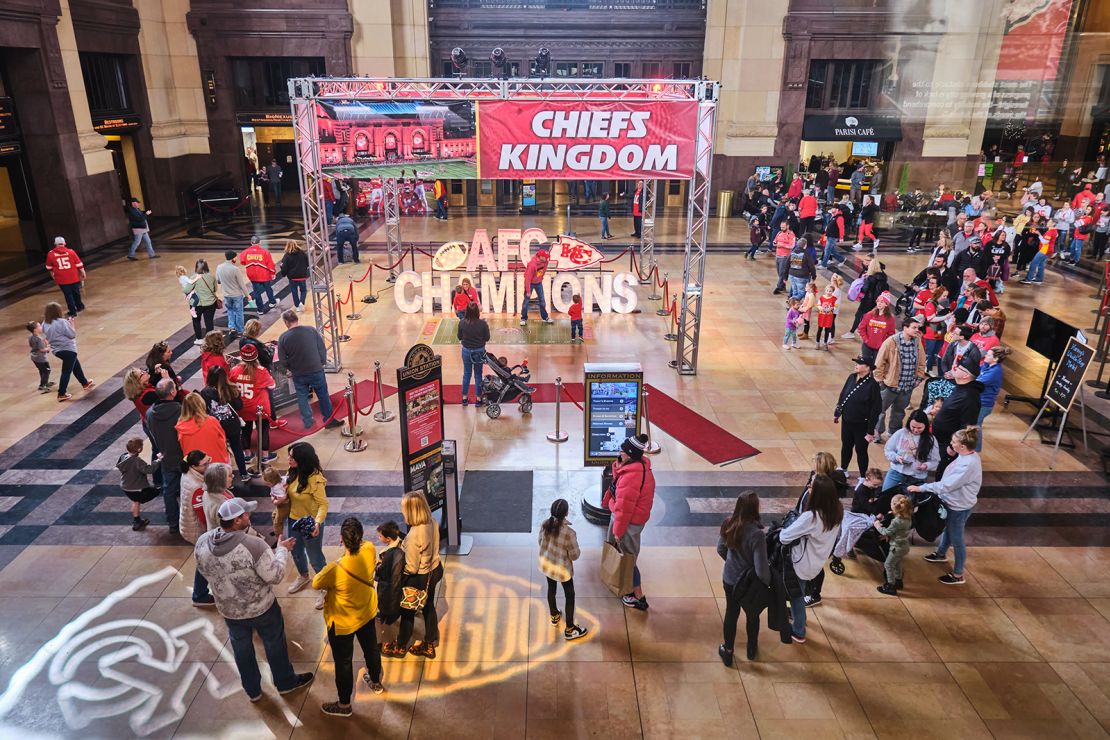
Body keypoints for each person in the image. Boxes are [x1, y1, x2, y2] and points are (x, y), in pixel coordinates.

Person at [194, 496, 315, 700]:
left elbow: (203, 570)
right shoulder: (254, 545)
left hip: (229, 610)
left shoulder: (203, 542)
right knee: (274, 644)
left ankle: (252, 691)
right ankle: (285, 683)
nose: (248, 516)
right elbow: (275, 576)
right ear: (237, 521)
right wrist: (282, 551)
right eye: (244, 515)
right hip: (262, 608)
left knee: (242, 650)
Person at [314, 517, 385, 716]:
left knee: (344, 662)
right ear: (360, 536)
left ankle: (344, 705)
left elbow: (316, 582)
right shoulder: (370, 548)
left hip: (342, 623)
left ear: (341, 540)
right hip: (367, 612)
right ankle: (376, 681)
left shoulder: (335, 568)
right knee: (371, 649)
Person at [908, 426, 982, 585]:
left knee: (957, 539)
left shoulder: (967, 465)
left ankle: (958, 574)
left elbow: (947, 485)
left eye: (954, 442)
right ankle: (940, 554)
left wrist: (922, 487)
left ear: (962, 446)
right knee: (949, 529)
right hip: (953, 501)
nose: (951, 443)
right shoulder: (967, 455)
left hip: (959, 506)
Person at [779, 475, 843, 643]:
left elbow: (784, 537)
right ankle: (795, 614)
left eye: (811, 485)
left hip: (801, 562)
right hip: (818, 560)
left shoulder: (812, 517)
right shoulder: (837, 510)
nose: (808, 486)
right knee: (800, 591)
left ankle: (799, 630)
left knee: (796, 595)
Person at [381, 492, 444, 659]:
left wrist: (398, 571)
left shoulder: (413, 536)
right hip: (435, 570)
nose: (403, 512)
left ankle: (400, 646)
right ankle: (429, 643)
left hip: (419, 577)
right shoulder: (432, 521)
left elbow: (412, 567)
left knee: (407, 611)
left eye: (404, 509)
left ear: (411, 511)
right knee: (428, 606)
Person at [604, 433, 655, 611]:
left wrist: (618, 532)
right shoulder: (639, 467)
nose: (620, 452)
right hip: (633, 520)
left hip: (628, 523)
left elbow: (624, 510)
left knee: (628, 559)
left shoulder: (631, 477)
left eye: (623, 451)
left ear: (631, 454)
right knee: (627, 556)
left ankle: (637, 596)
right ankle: (633, 591)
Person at [717, 491, 770, 664]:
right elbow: (761, 568)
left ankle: (728, 651)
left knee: (731, 613)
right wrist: (768, 584)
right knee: (752, 615)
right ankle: (751, 649)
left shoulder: (728, 523)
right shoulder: (757, 534)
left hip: (730, 579)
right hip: (749, 584)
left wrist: (732, 563)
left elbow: (720, 549)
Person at [284, 442, 330, 610]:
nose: (288, 459)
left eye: (292, 457)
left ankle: (325, 586)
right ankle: (303, 575)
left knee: (315, 557)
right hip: (293, 519)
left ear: (302, 460)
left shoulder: (315, 478)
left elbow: (323, 504)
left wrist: (317, 523)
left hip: (310, 523)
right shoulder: (292, 471)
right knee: (296, 552)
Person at [278, 310, 341, 430]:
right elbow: (321, 348)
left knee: (302, 397)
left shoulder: (283, 338)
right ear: (297, 318)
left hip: (298, 373)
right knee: (323, 395)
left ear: (286, 322)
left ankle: (307, 421)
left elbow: (283, 360)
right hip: (316, 369)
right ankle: (328, 419)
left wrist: (291, 368)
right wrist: (321, 362)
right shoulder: (311, 330)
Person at [538, 499, 587, 641]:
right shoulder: (569, 533)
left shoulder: (544, 524)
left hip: (547, 565)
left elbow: (540, 542)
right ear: (566, 513)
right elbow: (575, 555)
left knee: (551, 590)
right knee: (569, 596)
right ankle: (570, 629)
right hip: (563, 570)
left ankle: (554, 615)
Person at [872, 315, 926, 440]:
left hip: (907, 386)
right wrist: (880, 381)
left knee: (899, 412)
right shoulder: (891, 342)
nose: (916, 330)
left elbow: (922, 361)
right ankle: (876, 432)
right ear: (905, 328)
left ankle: (893, 433)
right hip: (890, 385)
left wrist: (918, 378)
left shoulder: (917, 342)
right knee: (880, 410)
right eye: (914, 327)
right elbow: (879, 363)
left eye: (917, 327)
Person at [229, 343, 279, 466]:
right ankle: (265, 456)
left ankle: (247, 454)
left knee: (245, 431)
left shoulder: (234, 370)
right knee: (263, 430)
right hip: (260, 407)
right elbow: (272, 386)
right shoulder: (261, 371)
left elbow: (230, 385)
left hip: (242, 407)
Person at [834, 355, 882, 476]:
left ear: (867, 368)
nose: (856, 365)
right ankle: (844, 468)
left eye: (859, 363)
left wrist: (870, 430)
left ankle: (862, 476)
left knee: (861, 450)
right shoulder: (851, 377)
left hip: (862, 424)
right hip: (847, 420)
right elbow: (843, 394)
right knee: (846, 446)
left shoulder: (873, 385)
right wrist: (838, 412)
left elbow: (876, 409)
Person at [147, 378, 183, 535]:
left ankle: (173, 523)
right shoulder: (181, 410)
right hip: (184, 457)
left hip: (166, 457)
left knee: (169, 491)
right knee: (189, 489)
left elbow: (152, 435)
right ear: (172, 392)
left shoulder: (150, 413)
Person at [932, 362, 984, 474]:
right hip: (941, 440)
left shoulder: (970, 396)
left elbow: (967, 425)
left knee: (944, 471)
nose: (955, 367)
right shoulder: (961, 388)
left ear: (966, 376)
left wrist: (953, 446)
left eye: (960, 368)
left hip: (949, 444)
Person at [199, 365, 248, 482]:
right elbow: (239, 406)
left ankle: (226, 478)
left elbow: (205, 409)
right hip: (232, 424)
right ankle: (244, 474)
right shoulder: (232, 389)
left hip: (216, 425)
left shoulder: (204, 392)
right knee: (237, 448)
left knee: (222, 452)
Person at [178, 450, 215, 605]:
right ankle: (199, 595)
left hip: (189, 525)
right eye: (205, 463)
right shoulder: (197, 487)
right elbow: (202, 515)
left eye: (208, 460)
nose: (209, 464)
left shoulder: (188, 474)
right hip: (198, 530)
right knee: (205, 562)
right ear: (194, 466)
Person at [41, 303, 93, 402]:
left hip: (57, 350)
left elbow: (46, 335)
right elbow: (72, 335)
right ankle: (61, 393)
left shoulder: (45, 323)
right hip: (68, 349)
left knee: (75, 365)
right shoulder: (62, 322)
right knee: (66, 372)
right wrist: (71, 324)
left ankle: (85, 383)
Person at [882, 410, 939, 490]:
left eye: (919, 428)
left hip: (917, 477)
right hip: (896, 472)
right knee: (885, 496)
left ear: (925, 426)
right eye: (913, 427)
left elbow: (935, 460)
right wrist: (896, 457)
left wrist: (926, 466)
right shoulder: (901, 433)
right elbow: (888, 450)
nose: (915, 430)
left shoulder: (931, 439)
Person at [116, 436, 160, 531]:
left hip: (126, 486)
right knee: (156, 491)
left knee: (136, 501)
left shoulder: (123, 457)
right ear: (139, 449)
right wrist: (157, 461)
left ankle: (137, 520)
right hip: (137, 488)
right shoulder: (137, 461)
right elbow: (149, 470)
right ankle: (137, 521)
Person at [176, 391, 230, 466]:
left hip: (195, 466)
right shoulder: (211, 421)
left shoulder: (180, 426)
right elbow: (222, 440)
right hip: (215, 464)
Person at [874, 494, 913, 595]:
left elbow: (886, 532)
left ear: (895, 506)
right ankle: (898, 581)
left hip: (896, 547)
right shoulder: (908, 518)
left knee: (888, 564)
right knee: (897, 563)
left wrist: (878, 526)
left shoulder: (896, 521)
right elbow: (899, 531)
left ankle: (890, 586)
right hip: (904, 545)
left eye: (891, 503)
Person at [976, 345, 1011, 451]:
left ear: (995, 358)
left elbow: (976, 382)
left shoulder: (995, 372)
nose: (985, 355)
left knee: (975, 427)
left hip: (984, 404)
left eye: (988, 354)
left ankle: (975, 451)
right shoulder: (987, 365)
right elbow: (975, 373)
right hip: (978, 400)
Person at [375, 521, 405, 629]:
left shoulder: (388, 554)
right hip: (397, 583)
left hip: (389, 587)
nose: (379, 538)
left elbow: (382, 571)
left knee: (388, 604)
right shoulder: (401, 542)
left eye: (380, 536)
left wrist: (377, 565)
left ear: (388, 539)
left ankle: (388, 619)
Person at [45, 237, 86, 317]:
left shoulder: (51, 254)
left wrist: (53, 275)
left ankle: (72, 311)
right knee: (76, 292)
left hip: (61, 279)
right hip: (73, 277)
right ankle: (80, 306)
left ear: (55, 244)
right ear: (64, 243)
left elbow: (49, 267)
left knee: (68, 295)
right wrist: (83, 272)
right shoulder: (71, 252)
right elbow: (79, 264)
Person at [216, 250, 251, 337]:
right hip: (236, 295)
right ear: (233, 258)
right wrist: (248, 295)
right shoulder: (235, 269)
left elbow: (218, 281)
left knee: (230, 311)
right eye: (236, 257)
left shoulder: (219, 267)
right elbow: (241, 284)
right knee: (239, 312)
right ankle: (240, 330)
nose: (236, 258)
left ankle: (231, 327)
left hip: (226, 295)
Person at [187, 259, 220, 346]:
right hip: (210, 303)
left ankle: (198, 339)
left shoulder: (193, 277)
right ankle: (210, 340)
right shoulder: (211, 276)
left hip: (196, 304)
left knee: (196, 321)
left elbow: (187, 289)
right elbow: (215, 289)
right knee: (209, 322)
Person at [241, 237, 278, 314]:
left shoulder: (245, 252)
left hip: (253, 276)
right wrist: (273, 273)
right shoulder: (265, 252)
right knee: (268, 289)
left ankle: (260, 309)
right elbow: (270, 264)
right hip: (265, 275)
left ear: (251, 242)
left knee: (256, 292)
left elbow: (243, 262)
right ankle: (272, 302)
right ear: (259, 242)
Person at [857, 295, 897, 365]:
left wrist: (883, 343)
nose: (879, 303)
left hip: (880, 347)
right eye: (878, 301)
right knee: (865, 365)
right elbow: (861, 328)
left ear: (886, 304)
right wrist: (866, 339)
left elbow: (891, 334)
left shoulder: (890, 319)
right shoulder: (869, 315)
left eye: (882, 302)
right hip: (867, 346)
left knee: (876, 366)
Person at [519, 249, 554, 325]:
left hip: (538, 283)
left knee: (542, 301)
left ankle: (545, 317)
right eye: (545, 257)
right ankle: (523, 318)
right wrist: (528, 290)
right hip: (530, 283)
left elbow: (543, 270)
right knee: (526, 302)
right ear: (541, 256)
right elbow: (528, 278)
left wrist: (540, 278)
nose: (547, 258)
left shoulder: (545, 261)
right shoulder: (532, 264)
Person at [277, 240, 309, 312]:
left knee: (294, 292)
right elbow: (307, 262)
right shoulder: (302, 253)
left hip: (292, 277)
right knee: (303, 290)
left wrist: (283, 274)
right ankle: (301, 302)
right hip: (302, 276)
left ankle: (297, 306)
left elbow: (283, 266)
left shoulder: (287, 255)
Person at [26, 321, 53, 392]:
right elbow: (42, 349)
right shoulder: (38, 339)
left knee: (42, 370)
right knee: (47, 371)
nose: (41, 327)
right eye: (39, 326)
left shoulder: (31, 337)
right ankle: (42, 385)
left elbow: (37, 344)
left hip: (34, 357)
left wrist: (45, 343)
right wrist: (48, 348)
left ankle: (45, 382)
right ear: (35, 329)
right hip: (40, 358)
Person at [771, 219, 796, 295]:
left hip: (785, 256)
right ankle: (783, 285)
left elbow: (792, 246)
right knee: (779, 272)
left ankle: (778, 287)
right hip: (778, 255)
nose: (782, 229)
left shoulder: (791, 234)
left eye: (783, 227)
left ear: (788, 226)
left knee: (782, 272)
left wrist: (782, 245)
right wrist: (775, 244)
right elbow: (774, 242)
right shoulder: (779, 233)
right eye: (781, 227)